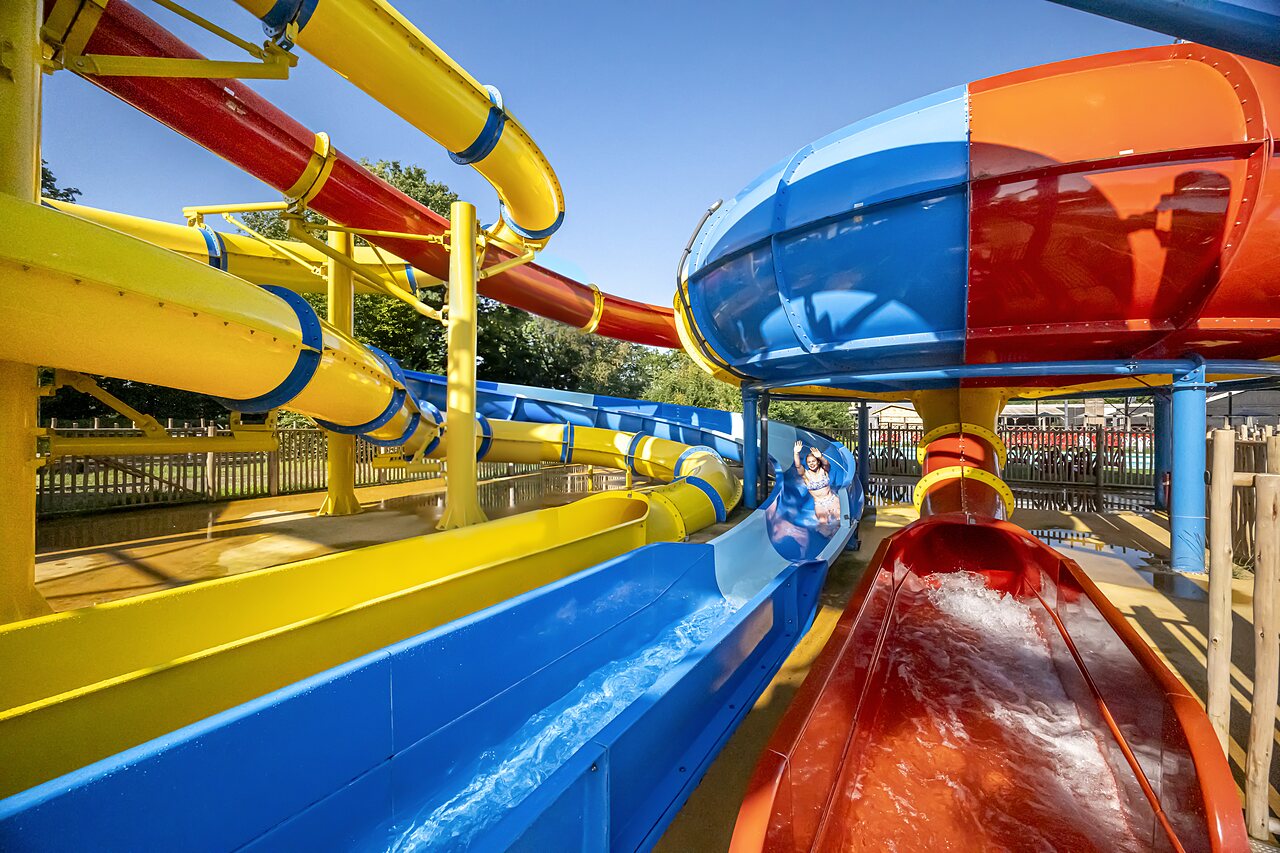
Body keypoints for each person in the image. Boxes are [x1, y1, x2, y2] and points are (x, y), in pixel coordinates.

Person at [794, 440, 840, 527]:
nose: (811, 464)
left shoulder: (824, 471)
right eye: (809, 462)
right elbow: (798, 466)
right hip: (819, 504)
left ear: (818, 462)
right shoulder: (806, 475)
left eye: (813, 461)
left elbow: (826, 463)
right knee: (823, 524)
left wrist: (820, 456)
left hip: (832, 500)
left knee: (839, 518)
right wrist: (796, 453)